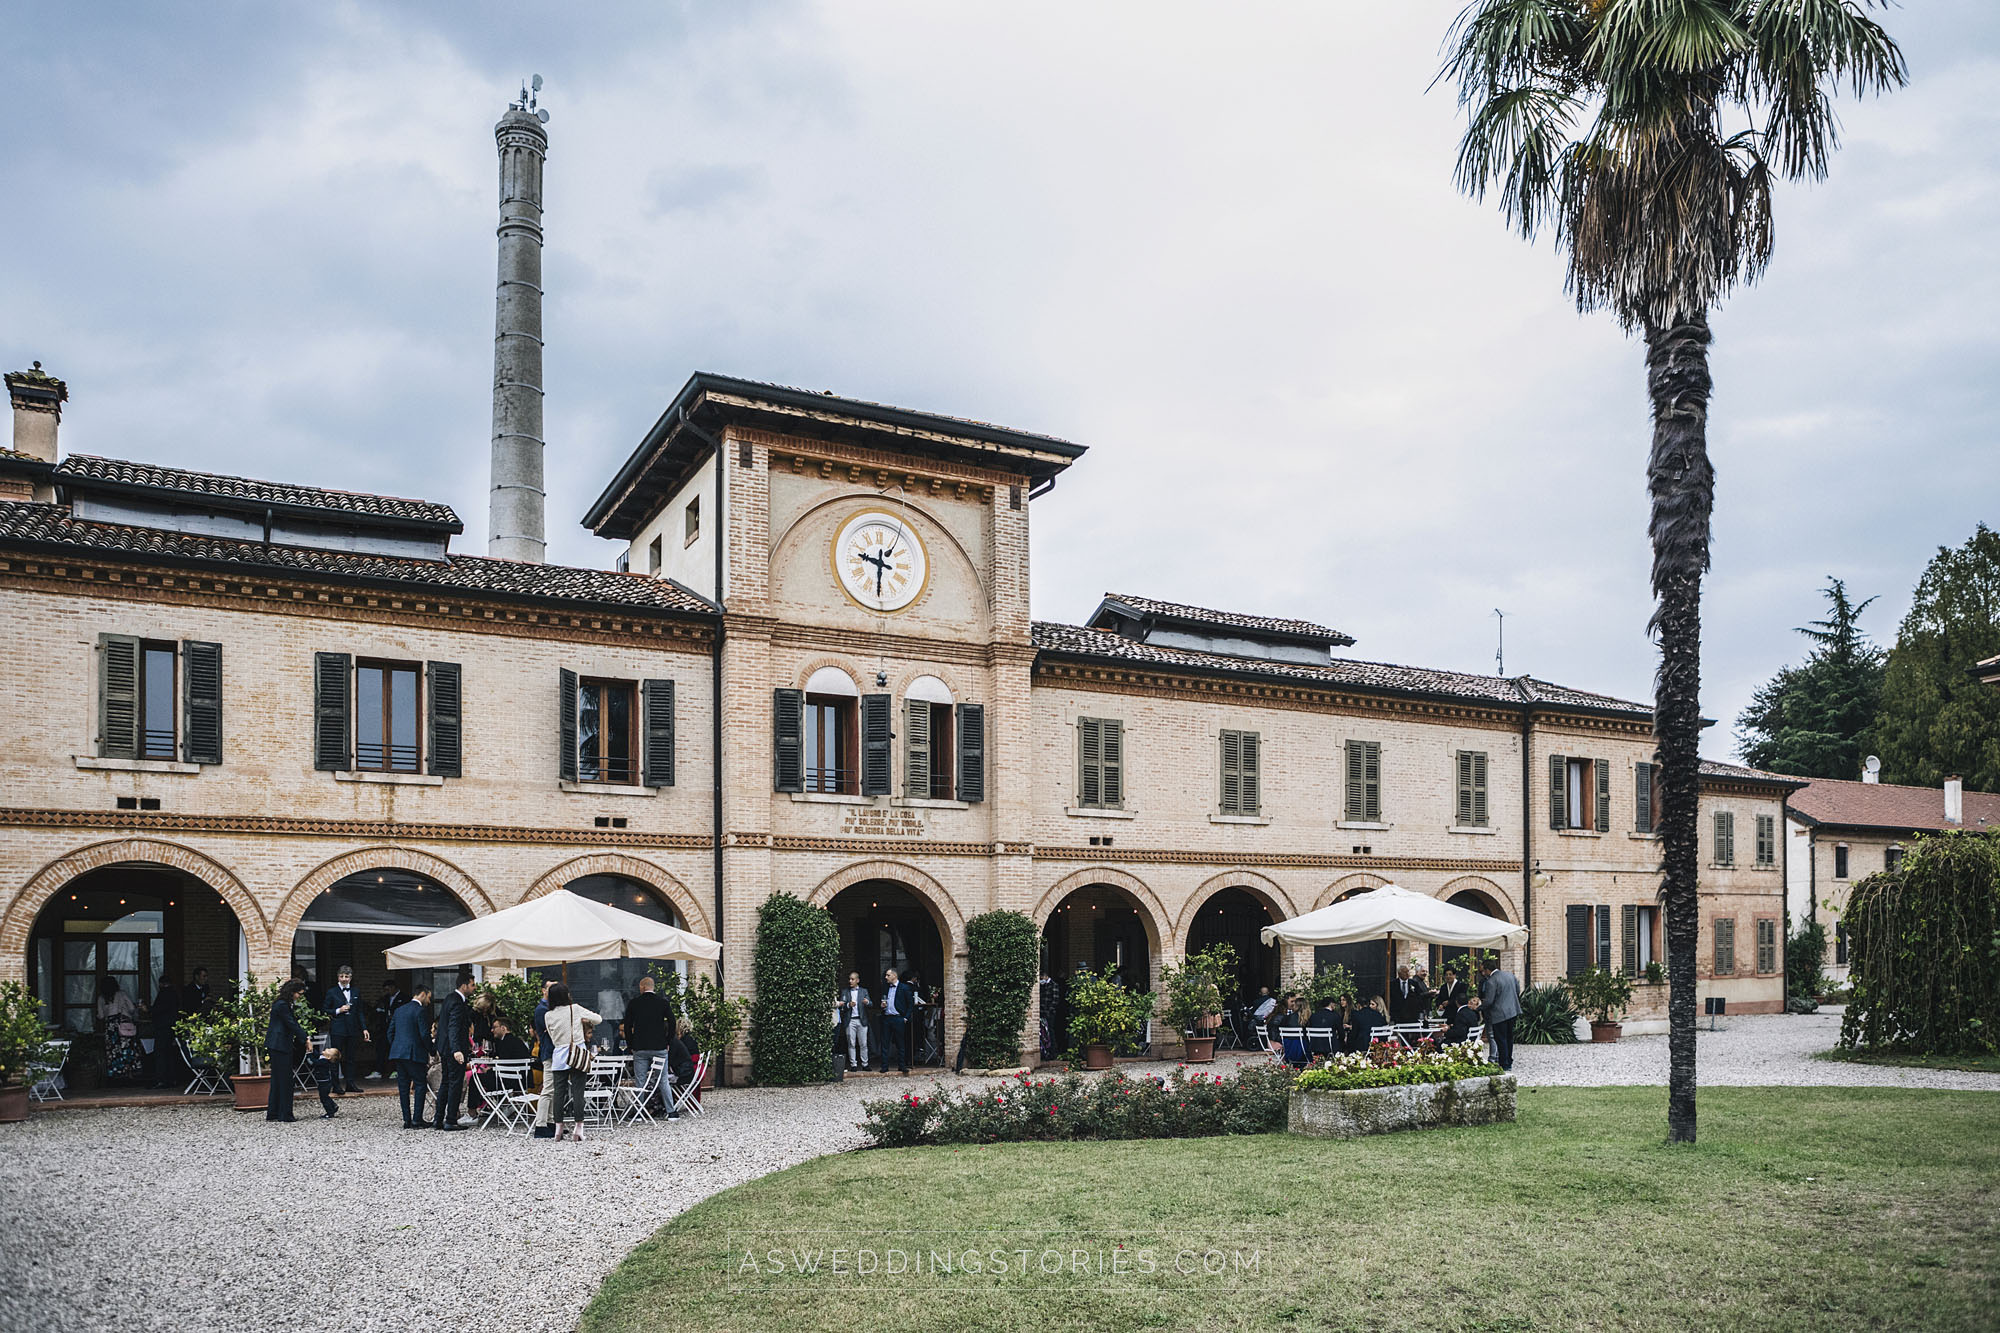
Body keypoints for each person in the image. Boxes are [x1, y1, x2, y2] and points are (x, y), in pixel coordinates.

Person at [542, 982, 602, 1142]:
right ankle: (578, 1128)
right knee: (578, 1093)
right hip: (577, 1053)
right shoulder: (574, 1009)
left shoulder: (548, 1015)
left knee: (558, 1094)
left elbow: (551, 1035)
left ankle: (558, 1128)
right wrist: (581, 1020)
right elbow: (598, 1019)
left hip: (559, 1055)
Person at [431, 971, 476, 1131]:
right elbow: (453, 1027)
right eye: (472, 985)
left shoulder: (449, 998)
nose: (474, 988)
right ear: (464, 986)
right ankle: (450, 1120)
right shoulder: (457, 1002)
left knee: (445, 1082)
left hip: (444, 1047)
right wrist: (457, 1050)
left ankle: (438, 1119)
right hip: (453, 1049)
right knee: (455, 1084)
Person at [388, 983, 434, 1128]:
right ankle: (417, 1119)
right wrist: (431, 1050)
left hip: (398, 1053)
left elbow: (390, 1033)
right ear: (423, 994)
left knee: (403, 1087)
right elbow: (424, 1034)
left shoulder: (399, 1010)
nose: (429, 1001)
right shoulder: (420, 1011)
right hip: (414, 1054)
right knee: (420, 1084)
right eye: (429, 997)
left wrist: (397, 1046)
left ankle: (406, 1120)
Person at [265, 979, 310, 1122]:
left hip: (276, 1045)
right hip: (280, 1045)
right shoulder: (283, 1005)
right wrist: (306, 1038)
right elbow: (291, 1024)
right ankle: (285, 1114)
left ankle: (274, 1113)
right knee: (285, 1081)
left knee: (278, 1080)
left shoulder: (281, 1004)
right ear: (292, 992)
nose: (299, 997)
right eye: (299, 994)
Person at [624, 974, 672, 1098]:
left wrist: (631, 1044)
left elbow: (627, 1025)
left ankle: (640, 1113)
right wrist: (668, 1041)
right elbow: (672, 1022)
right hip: (659, 1046)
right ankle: (671, 1112)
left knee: (640, 1081)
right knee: (663, 1080)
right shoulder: (663, 1002)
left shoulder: (634, 1003)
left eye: (640, 987)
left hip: (640, 1047)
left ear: (643, 987)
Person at [322, 965, 365, 1093]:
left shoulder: (356, 992)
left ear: (351, 978)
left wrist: (364, 1028)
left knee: (351, 1058)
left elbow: (359, 1012)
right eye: (341, 976)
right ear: (338, 977)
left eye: (346, 976)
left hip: (352, 1029)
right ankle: (336, 1085)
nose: (344, 979)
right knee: (335, 1057)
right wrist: (338, 1010)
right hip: (338, 1029)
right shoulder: (332, 992)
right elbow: (324, 1009)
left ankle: (350, 1084)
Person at [97, 976, 144, 1082]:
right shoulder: (121, 994)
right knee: (127, 1048)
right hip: (123, 1024)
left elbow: (100, 1015)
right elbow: (131, 1008)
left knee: (113, 1050)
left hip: (110, 1026)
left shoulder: (101, 998)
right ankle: (130, 1072)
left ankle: (116, 1073)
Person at [1479, 957, 1522, 1071]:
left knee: (1500, 1038)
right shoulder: (1510, 975)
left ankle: (1504, 1063)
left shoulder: (1491, 980)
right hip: (1513, 1011)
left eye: (1483, 971)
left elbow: (1489, 1000)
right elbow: (1517, 991)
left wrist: (1478, 1008)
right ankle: (1509, 1059)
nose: (1483, 973)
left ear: (1488, 970)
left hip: (1499, 1014)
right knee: (1509, 1037)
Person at [148, 974, 183, 1089]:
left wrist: (148, 1009)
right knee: (170, 1053)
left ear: (161, 984)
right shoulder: (175, 994)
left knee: (160, 1054)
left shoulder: (164, 994)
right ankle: (172, 1079)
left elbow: (159, 1009)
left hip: (162, 1028)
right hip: (172, 1027)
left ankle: (161, 1080)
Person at [878, 967, 914, 1075]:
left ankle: (902, 1065)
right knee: (885, 1043)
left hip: (899, 1018)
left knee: (900, 1043)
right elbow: (883, 1001)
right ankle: (884, 1066)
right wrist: (882, 1006)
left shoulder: (904, 987)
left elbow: (910, 1004)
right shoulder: (885, 987)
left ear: (894, 976)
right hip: (887, 1017)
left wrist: (905, 1017)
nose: (886, 977)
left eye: (888, 975)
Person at [836, 971, 871, 1072]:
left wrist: (867, 1002)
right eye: (849, 979)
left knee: (863, 1043)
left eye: (852, 979)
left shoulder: (864, 991)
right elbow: (842, 1007)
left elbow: (871, 1003)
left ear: (857, 980)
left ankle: (865, 1064)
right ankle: (853, 1064)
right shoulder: (845, 991)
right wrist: (848, 1005)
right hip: (850, 1021)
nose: (850, 981)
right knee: (851, 1043)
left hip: (861, 1020)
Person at [370, 980, 403, 1080]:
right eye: (385, 990)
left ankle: (396, 1070)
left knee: (395, 1049)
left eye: (388, 989)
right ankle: (379, 1070)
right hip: (384, 1028)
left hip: (397, 1029)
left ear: (393, 987)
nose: (387, 991)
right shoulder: (384, 999)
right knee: (381, 1049)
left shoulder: (404, 997)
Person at [667, 1016, 699, 1117]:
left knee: (661, 1081)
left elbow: (671, 1060)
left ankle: (665, 1106)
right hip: (691, 1070)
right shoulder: (689, 1039)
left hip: (685, 1073)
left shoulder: (679, 1042)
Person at [310, 1043, 343, 1118]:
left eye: (328, 1050)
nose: (326, 1049)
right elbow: (316, 1054)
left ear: (328, 1057)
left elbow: (313, 1062)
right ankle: (333, 1106)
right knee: (325, 1096)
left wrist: (309, 1054)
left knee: (323, 1098)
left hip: (324, 1083)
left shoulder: (324, 1061)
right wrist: (311, 1049)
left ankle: (329, 1113)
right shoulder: (322, 1057)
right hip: (324, 1082)